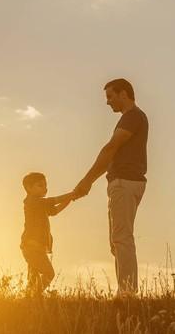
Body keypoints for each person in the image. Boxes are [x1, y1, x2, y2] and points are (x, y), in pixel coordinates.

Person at [73, 78, 149, 295]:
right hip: (120, 182)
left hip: (125, 182)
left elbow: (110, 149)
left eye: (110, 96)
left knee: (122, 237)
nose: (107, 102)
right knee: (116, 242)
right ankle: (124, 291)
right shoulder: (129, 118)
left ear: (123, 93)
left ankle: (127, 293)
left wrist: (86, 181)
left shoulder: (133, 116)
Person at [20, 172, 76, 295]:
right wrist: (72, 194)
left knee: (33, 278)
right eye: (40, 185)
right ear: (28, 188)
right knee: (49, 273)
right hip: (31, 247)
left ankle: (29, 299)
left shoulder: (41, 204)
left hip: (38, 248)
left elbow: (55, 210)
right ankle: (35, 295)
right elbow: (53, 201)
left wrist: (70, 199)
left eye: (45, 185)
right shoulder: (31, 202)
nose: (45, 188)